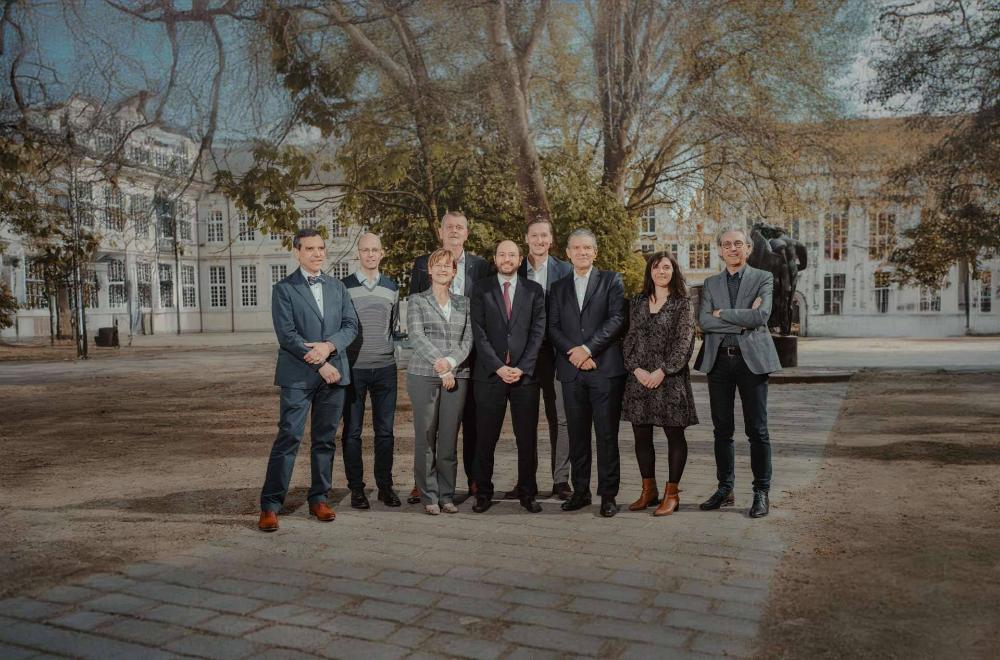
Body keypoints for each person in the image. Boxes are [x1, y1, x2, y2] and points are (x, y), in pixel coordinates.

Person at [258, 228, 359, 532]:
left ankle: (319, 499)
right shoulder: (284, 289)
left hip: (334, 374)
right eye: (310, 248)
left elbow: (350, 325)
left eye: (321, 248)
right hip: (299, 376)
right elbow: (287, 335)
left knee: (325, 440)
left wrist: (329, 348)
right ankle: (270, 505)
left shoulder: (337, 287)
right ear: (297, 252)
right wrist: (320, 364)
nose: (317, 253)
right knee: (288, 436)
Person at [695, 227, 781, 519]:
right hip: (719, 361)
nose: (732, 248)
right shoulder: (710, 283)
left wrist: (723, 314)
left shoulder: (763, 278)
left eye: (738, 244)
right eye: (727, 244)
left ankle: (761, 491)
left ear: (748, 249)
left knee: (757, 430)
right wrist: (741, 319)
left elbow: (761, 316)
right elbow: (705, 322)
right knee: (722, 430)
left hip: (751, 361)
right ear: (720, 250)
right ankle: (725, 489)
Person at [407, 211, 493, 503]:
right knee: (427, 432)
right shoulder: (421, 266)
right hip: (427, 366)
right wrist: (439, 363)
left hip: (468, 360)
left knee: (464, 425)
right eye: (449, 227)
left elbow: (482, 315)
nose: (454, 231)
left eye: (460, 227)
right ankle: (424, 485)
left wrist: (454, 361)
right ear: (440, 232)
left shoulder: (481, 267)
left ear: (467, 233)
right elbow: (415, 326)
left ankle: (468, 482)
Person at [548, 228, 627, 518]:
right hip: (571, 372)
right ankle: (580, 492)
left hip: (604, 370)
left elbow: (617, 318)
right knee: (578, 435)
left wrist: (588, 350)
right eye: (576, 248)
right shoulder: (557, 287)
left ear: (595, 252)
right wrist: (575, 354)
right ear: (568, 253)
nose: (582, 252)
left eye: (587, 248)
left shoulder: (611, 280)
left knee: (607, 435)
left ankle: (608, 495)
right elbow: (553, 327)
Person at [469, 240, 547, 514]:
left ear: (520, 258)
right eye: (502, 254)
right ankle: (483, 493)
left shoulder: (534, 290)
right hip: (490, 376)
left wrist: (522, 367)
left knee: (526, 440)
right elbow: (478, 332)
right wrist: (498, 367)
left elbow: (538, 332)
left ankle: (528, 493)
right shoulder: (481, 289)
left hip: (525, 378)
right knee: (485, 439)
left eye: (511, 254)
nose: (507, 258)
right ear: (495, 257)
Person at [622, 251, 698, 516]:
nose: (661, 271)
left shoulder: (683, 303)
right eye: (656, 267)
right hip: (640, 379)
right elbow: (629, 338)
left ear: (674, 271)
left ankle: (672, 493)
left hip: (670, 380)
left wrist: (663, 371)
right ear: (650, 272)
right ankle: (648, 490)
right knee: (641, 436)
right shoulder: (638, 301)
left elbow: (684, 343)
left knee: (674, 435)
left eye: (666, 267)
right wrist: (636, 368)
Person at [406, 248, 474, 515]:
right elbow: (416, 335)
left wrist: (452, 364)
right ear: (430, 270)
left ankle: (447, 494)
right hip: (424, 375)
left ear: (454, 271)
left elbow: (468, 340)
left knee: (448, 438)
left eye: (448, 265)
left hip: (458, 375)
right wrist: (441, 365)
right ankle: (429, 495)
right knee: (425, 437)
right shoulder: (417, 301)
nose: (443, 269)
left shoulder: (464, 303)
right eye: (438, 265)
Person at [340, 233, 402, 509]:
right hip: (354, 370)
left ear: (382, 252)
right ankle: (356, 489)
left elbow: (395, 328)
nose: (370, 254)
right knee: (352, 432)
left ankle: (385, 487)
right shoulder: (344, 287)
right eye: (365, 250)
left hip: (385, 369)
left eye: (375, 249)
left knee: (385, 432)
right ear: (358, 254)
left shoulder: (392, 287)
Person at [516, 219, 574, 500]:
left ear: (551, 240)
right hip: (524, 355)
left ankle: (561, 480)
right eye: (534, 235)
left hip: (557, 354)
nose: (539, 240)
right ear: (526, 239)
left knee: (560, 418)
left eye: (544, 236)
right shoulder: (514, 268)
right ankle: (524, 481)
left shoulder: (565, 270)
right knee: (523, 420)